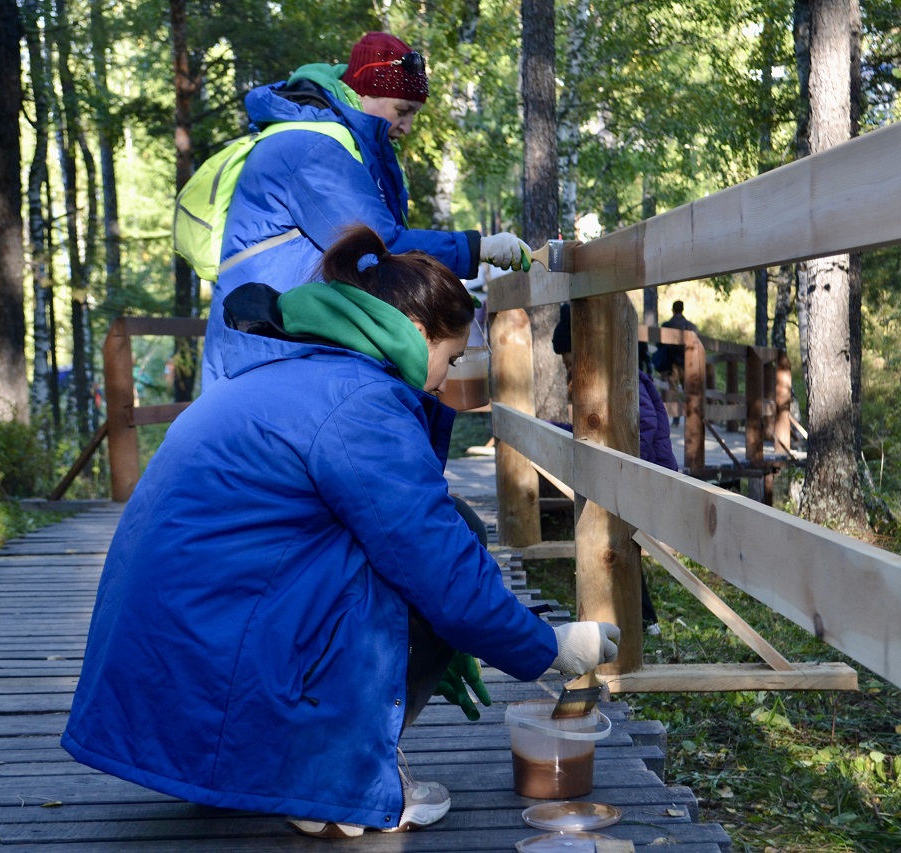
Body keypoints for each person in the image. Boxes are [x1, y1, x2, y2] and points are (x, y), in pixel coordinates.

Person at [61, 226, 619, 839]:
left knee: (410, 546)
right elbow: (439, 565)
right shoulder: (360, 405)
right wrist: (547, 645)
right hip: (214, 662)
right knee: (436, 547)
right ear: (417, 332)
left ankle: (256, 770)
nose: (444, 380)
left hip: (172, 680)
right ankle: (329, 786)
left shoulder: (297, 369)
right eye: (451, 358)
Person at [200, 31, 531, 386]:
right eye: (402, 111)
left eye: (414, 114)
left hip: (272, 337)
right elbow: (377, 245)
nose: (406, 127)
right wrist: (476, 247)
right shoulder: (313, 149)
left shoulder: (332, 142)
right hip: (265, 346)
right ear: (362, 93)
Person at [552, 303, 676, 634]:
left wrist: (627, 470)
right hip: (627, 480)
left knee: (619, 544)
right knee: (618, 546)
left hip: (644, 481)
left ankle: (640, 622)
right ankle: (640, 620)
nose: (568, 371)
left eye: (569, 362)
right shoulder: (606, 382)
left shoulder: (625, 381)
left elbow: (643, 429)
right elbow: (591, 431)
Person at [655, 300, 698, 424]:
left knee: (672, 389)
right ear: (682, 309)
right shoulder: (690, 326)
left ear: (673, 310)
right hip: (687, 361)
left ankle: (675, 416)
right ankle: (690, 416)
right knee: (687, 389)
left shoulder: (667, 325)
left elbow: (659, 343)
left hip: (672, 362)